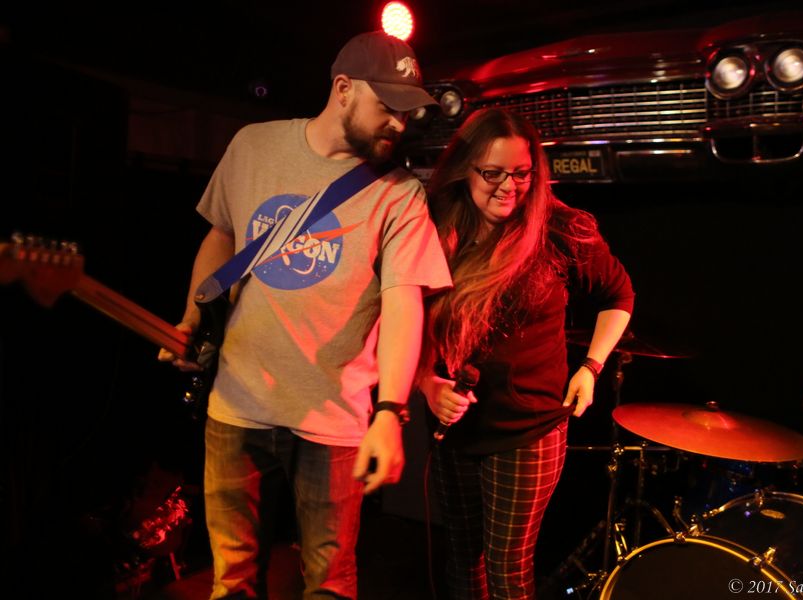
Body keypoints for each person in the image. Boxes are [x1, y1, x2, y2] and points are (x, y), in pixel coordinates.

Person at [159, 31, 452, 599]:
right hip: (236, 406)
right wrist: (192, 320)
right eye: (387, 107)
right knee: (232, 580)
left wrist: (390, 411)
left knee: (330, 585)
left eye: (406, 111)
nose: (399, 123)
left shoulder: (399, 194)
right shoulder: (253, 146)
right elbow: (221, 237)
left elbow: (403, 304)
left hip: (334, 423)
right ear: (343, 89)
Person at [418, 108, 635, 599]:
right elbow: (406, 314)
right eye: (492, 173)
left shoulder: (559, 228)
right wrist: (426, 383)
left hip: (528, 429)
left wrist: (591, 367)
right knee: (461, 559)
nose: (509, 187)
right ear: (465, 169)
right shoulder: (434, 223)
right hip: (455, 424)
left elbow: (619, 295)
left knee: (508, 572)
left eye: (521, 173)